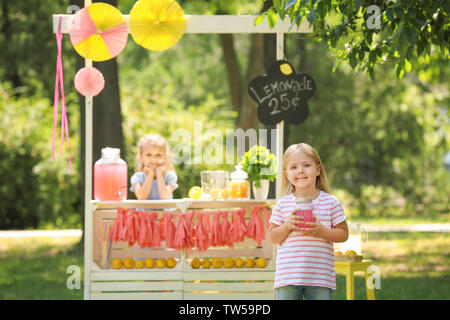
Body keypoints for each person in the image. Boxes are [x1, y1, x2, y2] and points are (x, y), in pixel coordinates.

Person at [268, 143, 349, 300]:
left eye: (306, 165)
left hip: (319, 276)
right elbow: (272, 237)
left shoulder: (331, 202)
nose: (300, 170)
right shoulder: (283, 204)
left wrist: (322, 231)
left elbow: (343, 234)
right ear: (286, 174)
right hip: (288, 276)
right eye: (293, 167)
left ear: (318, 169)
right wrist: (287, 226)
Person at [130, 134, 178, 200]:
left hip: (166, 211)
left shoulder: (170, 176)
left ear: (165, 156)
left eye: (158, 155)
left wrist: (159, 173)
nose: (154, 159)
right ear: (141, 157)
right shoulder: (137, 177)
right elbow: (141, 197)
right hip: (144, 211)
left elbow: (164, 197)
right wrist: (150, 174)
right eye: (149, 155)